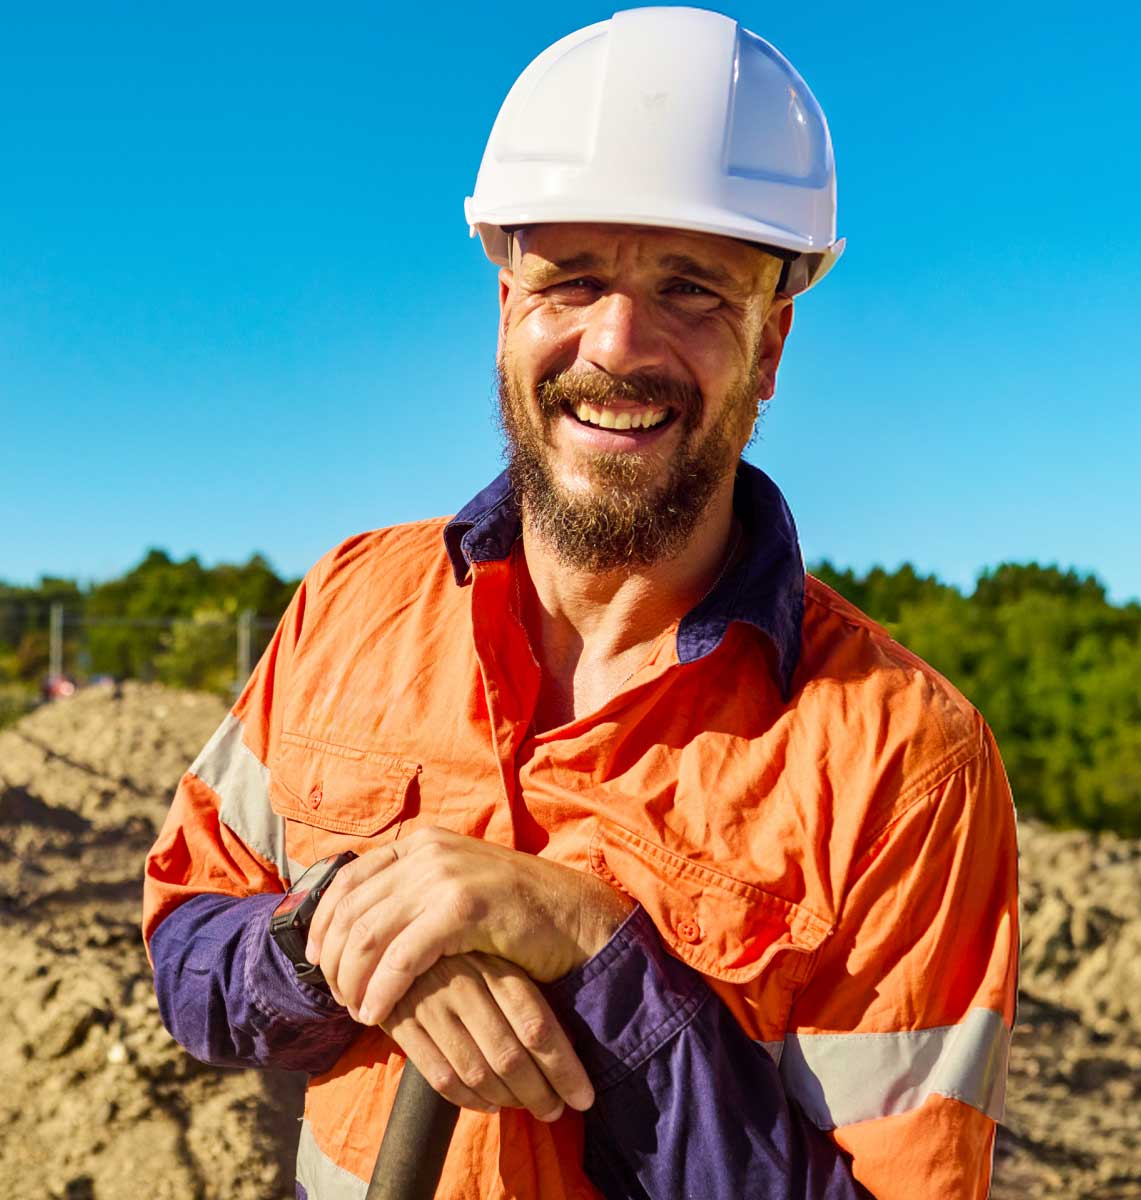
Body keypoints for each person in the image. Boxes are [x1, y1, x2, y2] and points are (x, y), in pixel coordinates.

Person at [143, 8, 1018, 1199]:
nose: (619, 343)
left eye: (694, 290)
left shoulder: (903, 764)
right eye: (574, 278)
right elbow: (189, 941)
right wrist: (338, 935)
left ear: (770, 348)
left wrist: (599, 958)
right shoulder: (350, 605)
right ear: (508, 308)